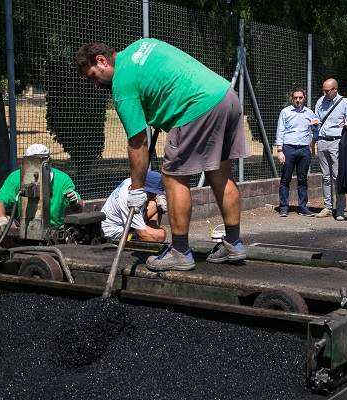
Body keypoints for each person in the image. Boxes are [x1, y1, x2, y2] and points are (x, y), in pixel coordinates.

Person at [76, 39, 247, 272]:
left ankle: (179, 252)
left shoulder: (122, 83)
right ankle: (233, 244)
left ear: (102, 61)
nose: (95, 84)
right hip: (225, 96)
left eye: (93, 76)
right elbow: (166, 75)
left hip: (197, 107)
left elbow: (137, 142)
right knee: (220, 173)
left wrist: (137, 189)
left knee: (173, 177)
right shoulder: (141, 45)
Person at [0, 143, 81, 235]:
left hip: (56, 230)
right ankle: (7, 249)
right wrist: (1, 219)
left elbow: (79, 208)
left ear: (49, 161)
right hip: (24, 228)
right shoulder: (16, 177)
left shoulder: (62, 179)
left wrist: (75, 201)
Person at [313, 78, 347, 221]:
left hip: (337, 142)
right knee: (325, 177)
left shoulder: (345, 102)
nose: (325, 93)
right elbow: (317, 120)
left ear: (335, 89)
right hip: (322, 142)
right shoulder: (320, 101)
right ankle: (327, 207)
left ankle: (340, 210)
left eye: (327, 90)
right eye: (323, 90)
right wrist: (314, 134)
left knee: (338, 177)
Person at [275, 87, 319, 217]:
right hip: (288, 149)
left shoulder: (310, 113)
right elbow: (280, 131)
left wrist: (315, 131)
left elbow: (315, 130)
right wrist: (280, 150)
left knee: (303, 179)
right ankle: (283, 207)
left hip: (304, 149)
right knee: (285, 179)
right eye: (295, 98)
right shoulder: (285, 112)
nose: (298, 100)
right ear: (292, 98)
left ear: (304, 98)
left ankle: (302, 207)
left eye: (300, 98)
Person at [101, 171, 167, 242]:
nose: (155, 195)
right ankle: (140, 233)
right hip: (114, 233)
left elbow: (154, 196)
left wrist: (160, 197)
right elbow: (143, 235)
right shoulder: (131, 201)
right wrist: (156, 233)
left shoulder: (133, 182)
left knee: (155, 204)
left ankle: (149, 227)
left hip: (123, 220)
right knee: (160, 236)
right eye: (154, 193)